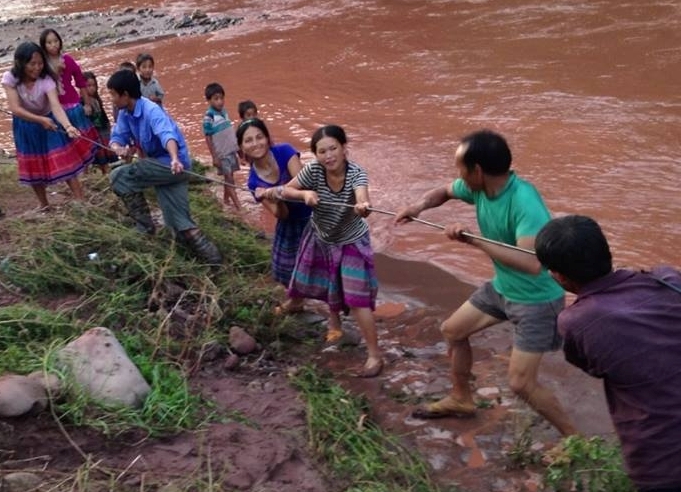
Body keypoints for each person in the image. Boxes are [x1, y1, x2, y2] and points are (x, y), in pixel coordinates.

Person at [394, 130, 576, 435]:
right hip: (503, 288)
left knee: (521, 384)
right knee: (453, 330)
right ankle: (461, 399)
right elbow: (443, 191)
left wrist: (473, 240)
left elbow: (533, 263)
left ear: (477, 170)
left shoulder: (524, 201)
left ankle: (576, 441)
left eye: (460, 168)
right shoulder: (477, 188)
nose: (458, 175)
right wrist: (418, 207)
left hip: (536, 300)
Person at [535, 215, 681, 492]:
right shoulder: (668, 278)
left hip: (663, 462)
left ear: (560, 276)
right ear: (608, 252)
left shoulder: (576, 321)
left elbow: (592, 366)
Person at [280, 124, 383, 378]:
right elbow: (286, 190)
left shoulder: (356, 174)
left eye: (333, 148)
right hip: (321, 236)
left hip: (351, 241)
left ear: (344, 148)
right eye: (322, 151)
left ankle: (374, 355)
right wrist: (304, 195)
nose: (328, 156)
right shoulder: (314, 171)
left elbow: (363, 198)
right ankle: (324, 317)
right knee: (322, 281)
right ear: (315, 155)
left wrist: (363, 206)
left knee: (357, 300)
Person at [105, 69, 221, 265]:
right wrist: (119, 148)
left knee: (119, 176)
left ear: (125, 94)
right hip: (161, 168)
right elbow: (117, 138)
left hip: (174, 165)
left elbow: (167, 135)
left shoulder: (151, 111)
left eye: (113, 95)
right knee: (179, 224)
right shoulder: (125, 114)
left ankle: (145, 227)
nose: (112, 100)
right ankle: (216, 262)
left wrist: (175, 158)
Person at [0, 42, 93, 211]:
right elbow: (15, 108)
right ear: (21, 63)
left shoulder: (47, 80)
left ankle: (80, 200)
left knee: (64, 159)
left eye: (40, 63)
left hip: (49, 119)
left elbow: (56, 106)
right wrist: (39, 120)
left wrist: (67, 126)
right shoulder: (10, 78)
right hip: (26, 124)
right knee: (33, 163)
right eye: (32, 64)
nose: (37, 68)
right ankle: (44, 204)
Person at [239, 118, 311, 311]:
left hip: (313, 216)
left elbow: (303, 183)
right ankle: (297, 302)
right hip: (290, 222)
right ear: (242, 148)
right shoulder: (254, 182)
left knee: (321, 266)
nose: (255, 143)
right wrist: (276, 200)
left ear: (268, 138)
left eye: (259, 137)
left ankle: (335, 313)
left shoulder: (285, 151)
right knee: (283, 267)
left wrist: (276, 191)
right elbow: (282, 214)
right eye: (248, 140)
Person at [39, 28, 99, 160]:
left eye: (55, 41)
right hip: (54, 109)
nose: (53, 45)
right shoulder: (42, 66)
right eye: (49, 42)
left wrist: (87, 104)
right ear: (43, 46)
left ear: (60, 42)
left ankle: (88, 164)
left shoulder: (67, 60)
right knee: (64, 142)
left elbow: (81, 83)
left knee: (83, 137)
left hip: (73, 106)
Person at [203, 82, 241, 210]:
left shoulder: (224, 112)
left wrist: (238, 149)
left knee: (229, 177)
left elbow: (229, 132)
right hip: (222, 154)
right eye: (216, 99)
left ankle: (226, 201)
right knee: (230, 179)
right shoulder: (209, 116)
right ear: (209, 100)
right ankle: (239, 207)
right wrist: (214, 157)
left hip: (230, 151)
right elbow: (208, 137)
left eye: (221, 98)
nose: (220, 102)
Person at [82, 70, 117, 174]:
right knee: (100, 155)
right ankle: (104, 172)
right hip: (94, 132)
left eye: (93, 85)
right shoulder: (83, 103)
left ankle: (111, 171)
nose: (92, 88)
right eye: (88, 86)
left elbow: (103, 114)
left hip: (103, 130)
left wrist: (108, 125)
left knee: (109, 151)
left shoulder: (97, 100)